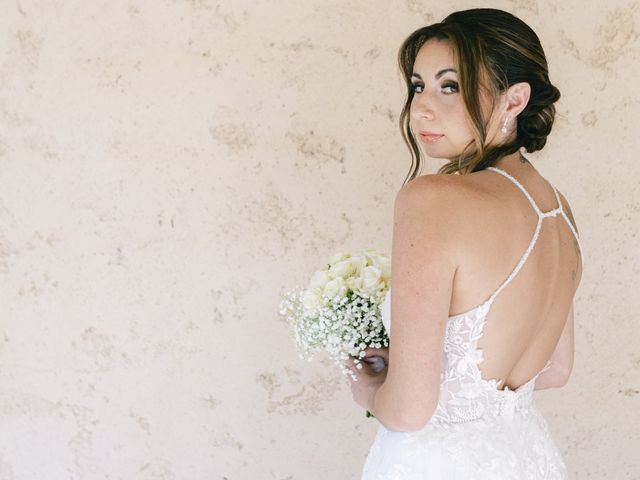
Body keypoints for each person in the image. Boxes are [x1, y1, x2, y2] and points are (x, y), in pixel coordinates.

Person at [345, 8, 584, 479]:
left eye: (449, 86)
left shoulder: (433, 199)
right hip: (528, 457)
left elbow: (410, 410)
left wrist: (364, 381)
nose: (422, 108)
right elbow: (555, 371)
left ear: (514, 100)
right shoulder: (560, 210)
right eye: (418, 86)